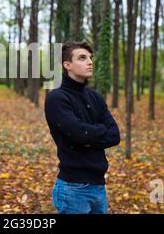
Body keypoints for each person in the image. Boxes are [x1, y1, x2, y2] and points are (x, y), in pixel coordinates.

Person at [44, 41, 121, 214]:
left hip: (99, 186)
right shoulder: (57, 98)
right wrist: (99, 130)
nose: (90, 62)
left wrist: (88, 136)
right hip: (73, 189)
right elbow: (80, 134)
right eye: (82, 58)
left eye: (90, 58)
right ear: (67, 65)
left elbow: (115, 135)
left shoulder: (95, 97)